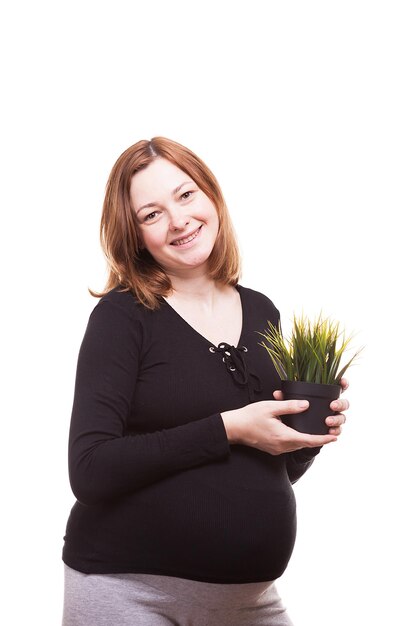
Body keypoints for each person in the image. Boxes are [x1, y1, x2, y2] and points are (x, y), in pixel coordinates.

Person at [61, 137, 349, 626]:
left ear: (211, 196)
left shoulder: (261, 311)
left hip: (249, 602)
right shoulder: (122, 317)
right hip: (130, 593)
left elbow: (267, 471)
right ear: (133, 235)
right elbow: (89, 470)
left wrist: (307, 436)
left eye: (186, 195)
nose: (178, 220)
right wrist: (228, 427)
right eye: (151, 214)